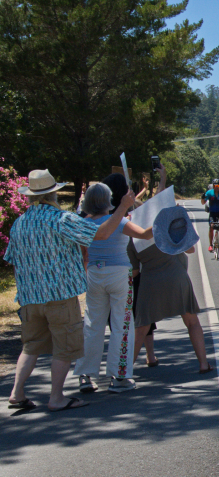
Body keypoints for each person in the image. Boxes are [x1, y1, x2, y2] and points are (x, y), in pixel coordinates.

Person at [5, 169, 135, 411]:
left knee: (31, 346)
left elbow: (12, 259)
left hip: (29, 297)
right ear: (53, 194)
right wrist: (123, 207)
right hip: (59, 295)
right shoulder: (61, 219)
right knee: (64, 348)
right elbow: (102, 233)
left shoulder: (20, 223)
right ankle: (56, 397)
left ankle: (17, 392)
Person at [73, 183, 153, 394]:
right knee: (122, 324)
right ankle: (119, 376)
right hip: (119, 274)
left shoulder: (84, 223)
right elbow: (145, 234)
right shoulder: (119, 221)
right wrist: (161, 220)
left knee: (92, 323)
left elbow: (83, 254)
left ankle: (85, 374)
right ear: (107, 201)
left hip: (94, 273)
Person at [128, 204, 213, 374]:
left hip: (150, 282)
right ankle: (203, 364)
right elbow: (190, 249)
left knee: (141, 328)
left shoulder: (132, 239)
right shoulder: (167, 228)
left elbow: (135, 271)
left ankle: (125, 371)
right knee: (192, 322)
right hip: (177, 278)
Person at [201, 178, 219, 253]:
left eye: (218, 185)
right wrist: (202, 198)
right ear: (213, 186)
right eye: (215, 185)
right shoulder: (209, 193)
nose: (216, 187)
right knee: (211, 226)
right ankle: (210, 245)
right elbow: (203, 203)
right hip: (213, 212)